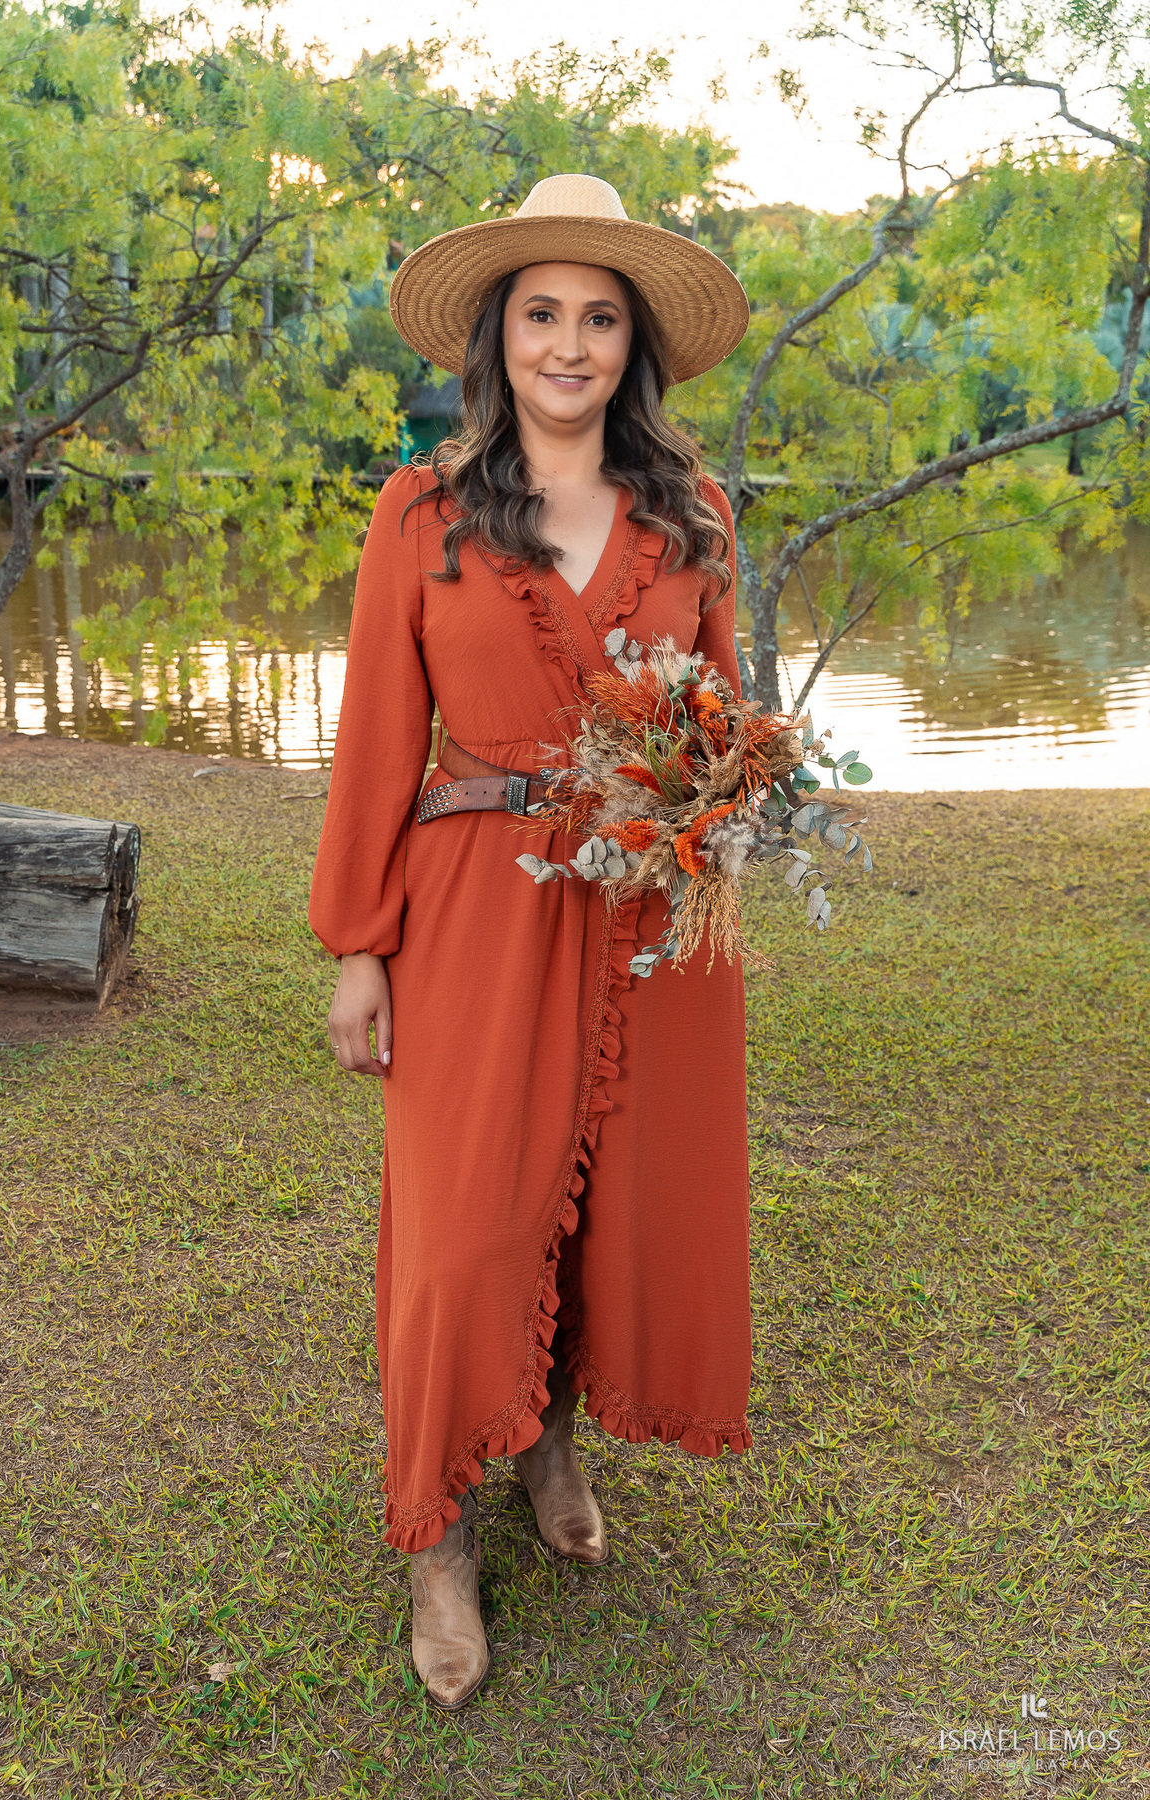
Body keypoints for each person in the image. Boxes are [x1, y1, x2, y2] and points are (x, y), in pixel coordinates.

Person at [308, 173, 754, 1711]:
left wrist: (724, 805)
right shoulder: (422, 516)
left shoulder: (690, 518)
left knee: (607, 1201)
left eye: (602, 318)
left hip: (643, 908)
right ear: (498, 337)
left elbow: (721, 718)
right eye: (544, 314)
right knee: (465, 1225)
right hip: (479, 902)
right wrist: (359, 944)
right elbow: (378, 736)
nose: (570, 344)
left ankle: (550, 1437)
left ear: (636, 347)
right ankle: (438, 1535)